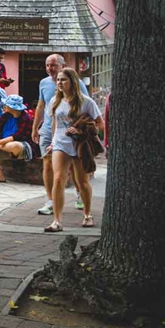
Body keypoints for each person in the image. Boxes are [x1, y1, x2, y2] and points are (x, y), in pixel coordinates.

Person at [44, 68, 103, 232]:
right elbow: (55, 123)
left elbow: (99, 124)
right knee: (58, 180)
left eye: (63, 80)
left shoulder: (86, 102)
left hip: (80, 145)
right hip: (60, 144)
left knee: (82, 182)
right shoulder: (55, 101)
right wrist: (52, 142)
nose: (60, 83)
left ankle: (87, 214)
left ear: (72, 82)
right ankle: (57, 220)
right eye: (58, 80)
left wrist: (81, 131)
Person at [31, 54, 89, 216]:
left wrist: (78, 129)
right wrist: (35, 127)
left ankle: (79, 193)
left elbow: (86, 108)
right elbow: (41, 105)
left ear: (62, 66)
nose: (50, 68)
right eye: (48, 65)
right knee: (47, 165)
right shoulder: (43, 83)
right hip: (48, 131)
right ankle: (50, 200)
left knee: (74, 166)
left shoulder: (77, 83)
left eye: (54, 65)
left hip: (69, 133)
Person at [0, 95, 37, 182]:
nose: (5, 106)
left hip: (20, 146)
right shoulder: (5, 116)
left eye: (7, 105)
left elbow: (18, 136)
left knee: (14, 145)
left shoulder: (26, 119)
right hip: (2, 145)